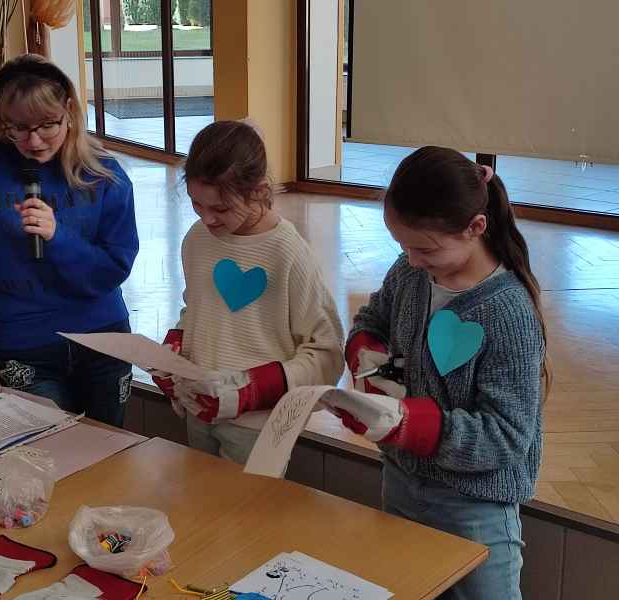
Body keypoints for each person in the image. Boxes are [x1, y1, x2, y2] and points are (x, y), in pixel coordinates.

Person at [332, 146, 547, 599]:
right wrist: (367, 361)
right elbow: (373, 319)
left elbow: (508, 436)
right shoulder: (411, 272)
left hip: (476, 506)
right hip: (400, 482)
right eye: (403, 246)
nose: (411, 260)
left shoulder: (508, 313)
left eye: (424, 248)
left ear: (475, 228)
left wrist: (409, 424)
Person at [0, 54, 139, 427]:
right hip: (25, 344)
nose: (33, 141)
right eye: (18, 127)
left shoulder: (105, 174)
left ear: (69, 111)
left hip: (104, 339)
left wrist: (58, 237)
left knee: (108, 450)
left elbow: (112, 270)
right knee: (42, 451)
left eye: (47, 125)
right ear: (1, 119)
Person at [151, 120, 345, 465]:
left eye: (221, 209)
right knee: (202, 494)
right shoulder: (197, 239)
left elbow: (327, 354)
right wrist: (177, 347)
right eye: (196, 204)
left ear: (258, 190)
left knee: (249, 501)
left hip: (260, 425)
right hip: (200, 410)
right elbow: (198, 309)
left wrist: (254, 389)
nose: (207, 219)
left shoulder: (288, 252)